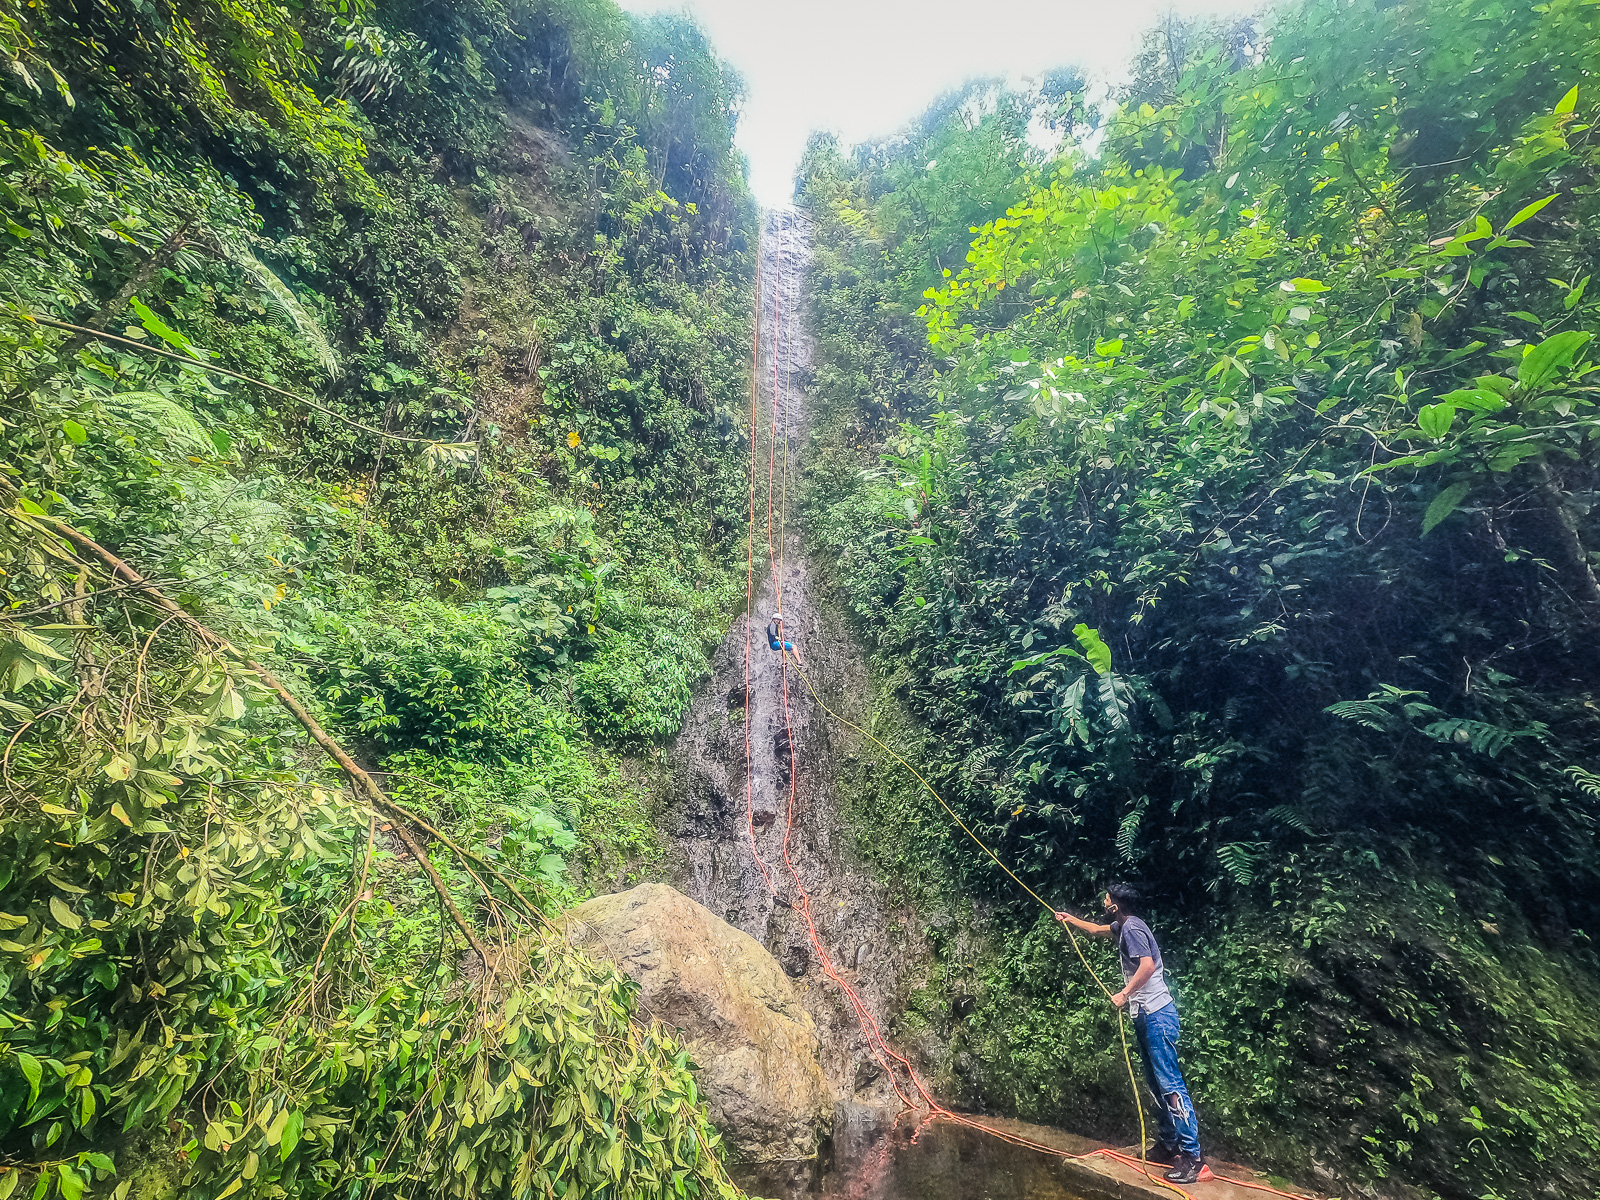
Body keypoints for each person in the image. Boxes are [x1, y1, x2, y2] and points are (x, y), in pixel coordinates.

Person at [1055, 883, 1205, 1184]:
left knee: (1170, 1085)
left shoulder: (1134, 930)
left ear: (1117, 906)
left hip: (1157, 1015)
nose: (1104, 900)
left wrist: (1124, 993)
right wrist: (1071, 919)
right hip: (1146, 1016)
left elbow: (1147, 966)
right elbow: (1098, 930)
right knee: (1156, 1084)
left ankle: (1194, 1160)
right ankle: (1168, 1145)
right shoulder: (1123, 925)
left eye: (1108, 898)